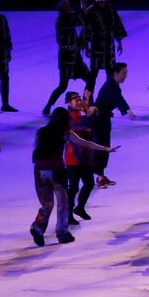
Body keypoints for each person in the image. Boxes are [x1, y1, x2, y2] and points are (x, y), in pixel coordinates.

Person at [29, 105, 106, 246]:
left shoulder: (41, 132)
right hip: (56, 170)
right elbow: (85, 143)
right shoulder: (64, 133)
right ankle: (62, 233)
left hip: (40, 170)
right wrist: (105, 148)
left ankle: (38, 227)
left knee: (46, 204)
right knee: (62, 203)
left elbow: (37, 151)